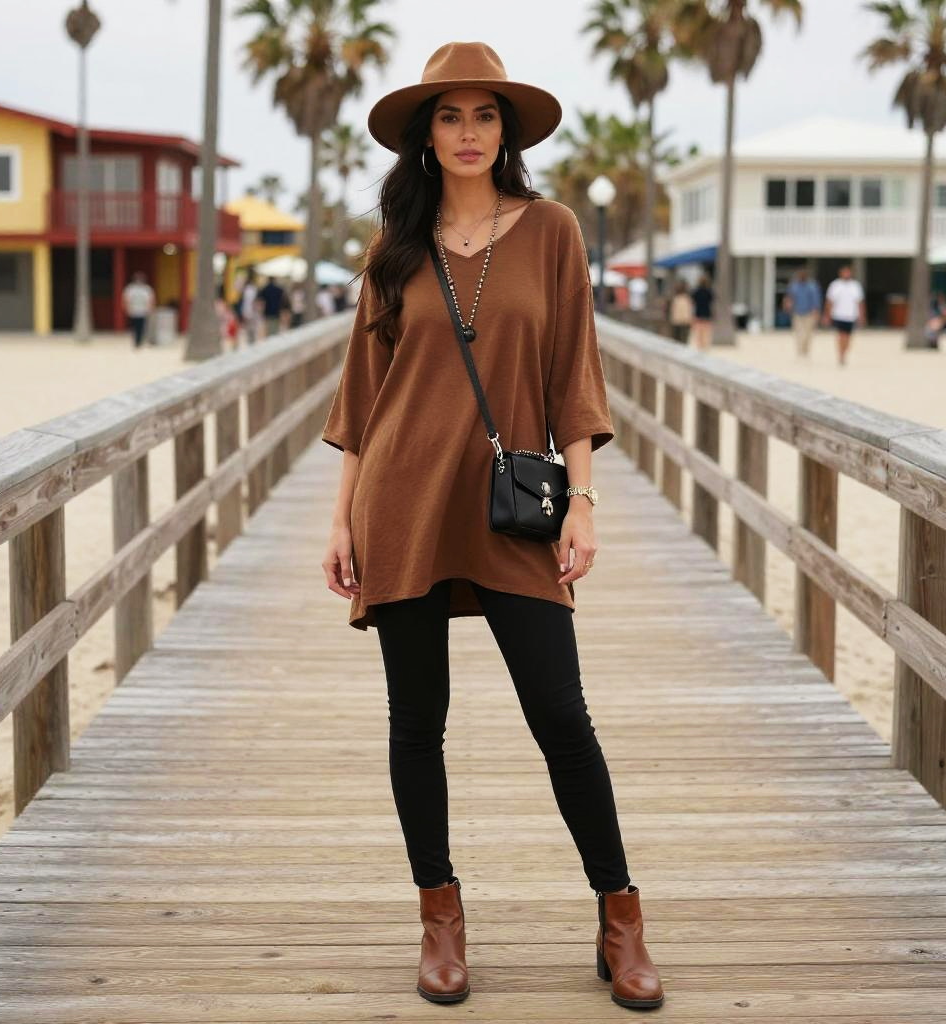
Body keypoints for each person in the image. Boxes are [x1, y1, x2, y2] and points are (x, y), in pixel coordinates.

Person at [318, 41, 663, 1011]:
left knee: (561, 714)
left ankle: (620, 915)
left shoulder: (551, 231)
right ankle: (439, 916)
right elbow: (362, 399)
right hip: (400, 504)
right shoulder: (394, 248)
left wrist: (583, 502)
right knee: (415, 723)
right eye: (447, 116)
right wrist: (339, 521)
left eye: (483, 116)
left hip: (514, 506)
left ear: (504, 131)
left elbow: (572, 378)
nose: (467, 133)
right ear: (424, 135)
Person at [822, 263, 866, 366]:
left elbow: (860, 302)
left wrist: (862, 316)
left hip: (851, 315)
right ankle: (841, 355)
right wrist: (827, 316)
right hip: (838, 315)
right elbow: (829, 302)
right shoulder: (835, 285)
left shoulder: (855, 286)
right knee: (841, 335)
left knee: (848, 337)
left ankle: (844, 353)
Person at [783, 266, 822, 359]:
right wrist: (787, 306)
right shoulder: (794, 285)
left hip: (809, 313)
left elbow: (816, 299)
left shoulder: (812, 285)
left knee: (808, 333)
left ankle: (806, 350)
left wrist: (816, 311)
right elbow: (789, 297)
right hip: (797, 312)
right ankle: (800, 350)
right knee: (798, 332)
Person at [121, 271, 156, 349]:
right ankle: (136, 341)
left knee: (142, 327)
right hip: (133, 311)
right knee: (134, 327)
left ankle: (140, 341)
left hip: (143, 311)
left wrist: (150, 308)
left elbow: (151, 300)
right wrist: (126, 308)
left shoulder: (147, 289)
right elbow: (126, 299)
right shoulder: (130, 289)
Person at [690, 273, 714, 350]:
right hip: (707, 314)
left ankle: (700, 348)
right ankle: (705, 348)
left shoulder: (696, 292)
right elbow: (711, 302)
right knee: (706, 334)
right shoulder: (709, 292)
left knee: (698, 334)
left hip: (698, 314)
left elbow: (693, 303)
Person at [668, 278, 693, 343]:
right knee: (682, 338)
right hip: (683, 320)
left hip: (678, 320)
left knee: (677, 338)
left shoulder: (676, 298)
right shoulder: (686, 298)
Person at [240, 275, 260, 344]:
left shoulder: (245, 289)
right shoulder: (253, 289)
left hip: (247, 310)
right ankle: (252, 340)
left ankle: (250, 340)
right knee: (252, 327)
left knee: (248, 327)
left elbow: (244, 301)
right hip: (251, 310)